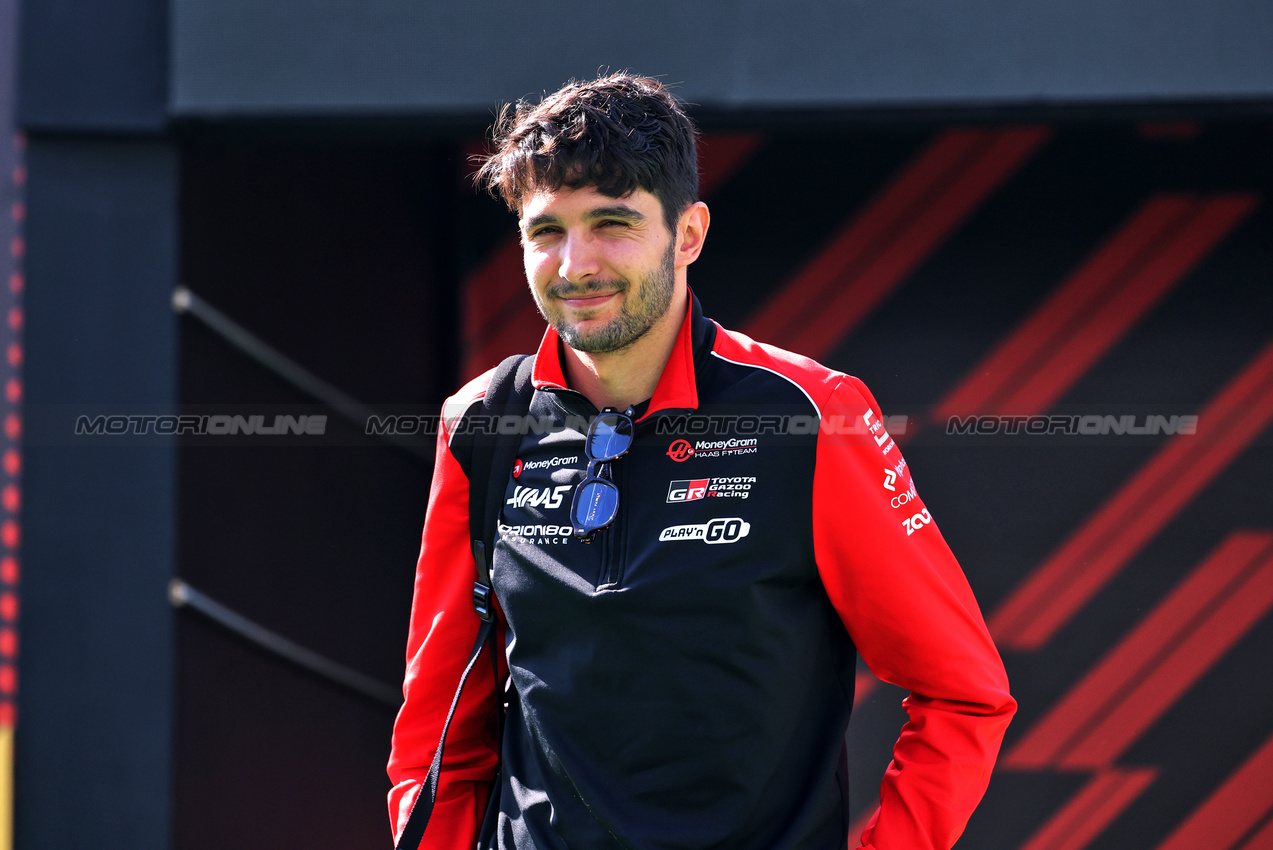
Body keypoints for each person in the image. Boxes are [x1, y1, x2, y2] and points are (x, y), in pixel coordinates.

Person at [388, 72, 1015, 850]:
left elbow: (963, 693)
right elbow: (438, 728)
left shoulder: (812, 415)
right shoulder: (481, 422)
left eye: (611, 223)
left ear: (687, 234)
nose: (574, 265)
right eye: (545, 231)